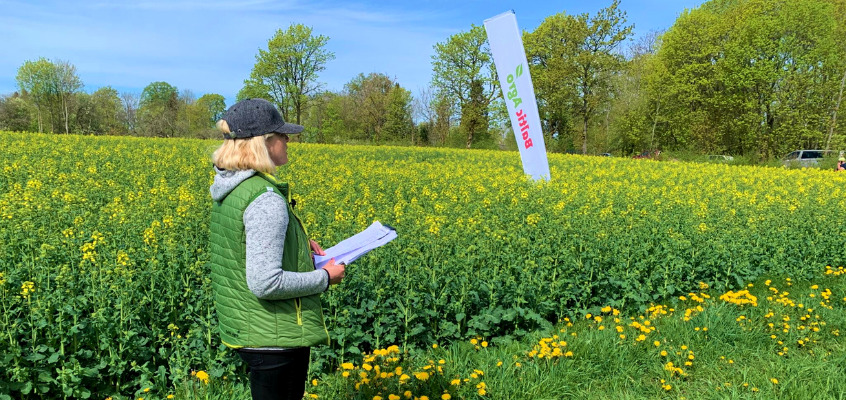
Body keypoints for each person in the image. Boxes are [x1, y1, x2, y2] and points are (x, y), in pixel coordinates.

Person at [208, 98, 346, 400]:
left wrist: (294, 245)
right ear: (264, 143)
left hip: (252, 328)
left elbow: (242, 246)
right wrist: (325, 277)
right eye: (282, 135)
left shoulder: (233, 188)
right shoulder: (264, 198)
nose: (288, 140)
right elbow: (265, 282)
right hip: (274, 336)